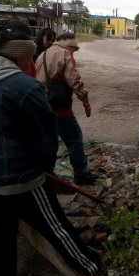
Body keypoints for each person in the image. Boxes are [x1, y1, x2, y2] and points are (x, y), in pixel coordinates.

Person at [0, 28, 103, 276]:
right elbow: (46, 139)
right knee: (55, 226)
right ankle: (90, 265)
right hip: (21, 178)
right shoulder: (24, 87)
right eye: (29, 58)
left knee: (0, 231)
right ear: (21, 58)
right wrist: (43, 169)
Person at [35, 31, 96, 185]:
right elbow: (73, 79)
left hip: (42, 104)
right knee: (75, 139)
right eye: (74, 49)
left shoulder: (43, 54)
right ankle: (81, 175)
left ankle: (48, 177)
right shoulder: (65, 53)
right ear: (70, 46)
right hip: (59, 107)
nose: (73, 53)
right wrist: (85, 101)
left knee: (50, 143)